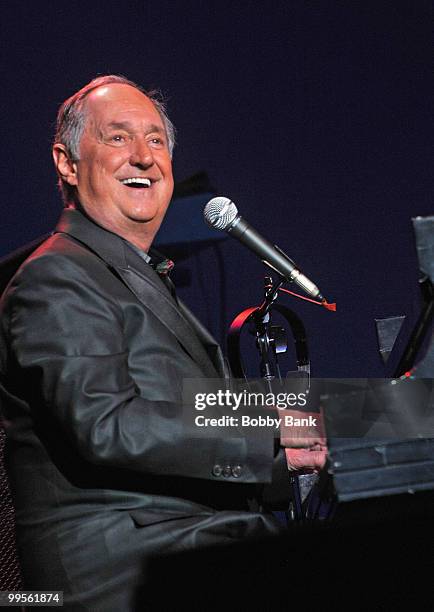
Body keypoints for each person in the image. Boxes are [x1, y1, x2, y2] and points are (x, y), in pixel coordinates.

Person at [0, 75, 326, 610]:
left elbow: (194, 425)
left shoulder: (127, 274)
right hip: (119, 567)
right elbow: (108, 424)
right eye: (118, 138)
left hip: (191, 543)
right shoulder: (56, 278)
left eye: (156, 141)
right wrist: (275, 429)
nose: (145, 157)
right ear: (66, 163)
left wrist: (344, 432)